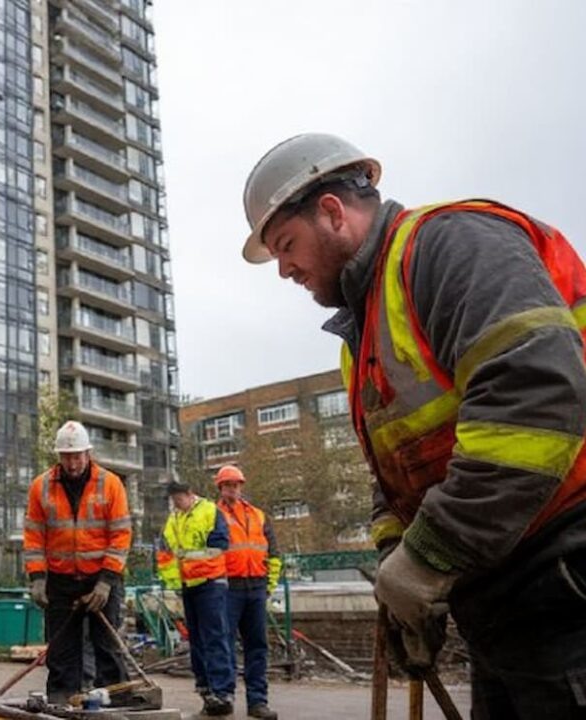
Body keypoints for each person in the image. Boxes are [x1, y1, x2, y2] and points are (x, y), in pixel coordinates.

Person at [241, 133, 586, 716]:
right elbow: (396, 470)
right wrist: (399, 565)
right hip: (502, 591)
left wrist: (429, 556)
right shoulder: (364, 334)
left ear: (331, 213)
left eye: (285, 245)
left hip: (563, 572)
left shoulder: (449, 244)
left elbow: (534, 397)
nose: (284, 270)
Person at [23, 421, 132, 705]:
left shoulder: (110, 484)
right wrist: (37, 578)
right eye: (66, 456)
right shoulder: (41, 486)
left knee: (107, 646)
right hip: (60, 580)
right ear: (58, 456)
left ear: (88, 453)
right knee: (61, 648)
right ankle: (62, 700)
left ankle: (116, 699)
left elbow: (120, 535)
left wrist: (107, 582)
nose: (72, 463)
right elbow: (34, 536)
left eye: (77, 456)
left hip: (101, 578)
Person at [162, 481, 235, 717]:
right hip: (189, 586)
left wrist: (189, 560)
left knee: (214, 637)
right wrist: (175, 583)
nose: (177, 504)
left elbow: (219, 546)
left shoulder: (209, 511)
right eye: (173, 501)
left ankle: (222, 692)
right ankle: (206, 690)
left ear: (190, 494)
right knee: (197, 641)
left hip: (210, 583)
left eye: (179, 500)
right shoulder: (173, 520)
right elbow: (166, 555)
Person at [214, 465, 281, 720]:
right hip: (228, 588)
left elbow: (273, 554)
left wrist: (268, 586)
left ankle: (257, 701)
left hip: (255, 588)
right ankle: (224, 697)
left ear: (241, 486)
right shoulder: (213, 515)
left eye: (236, 484)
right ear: (220, 488)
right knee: (225, 645)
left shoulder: (259, 516)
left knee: (257, 646)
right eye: (228, 484)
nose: (233, 489)